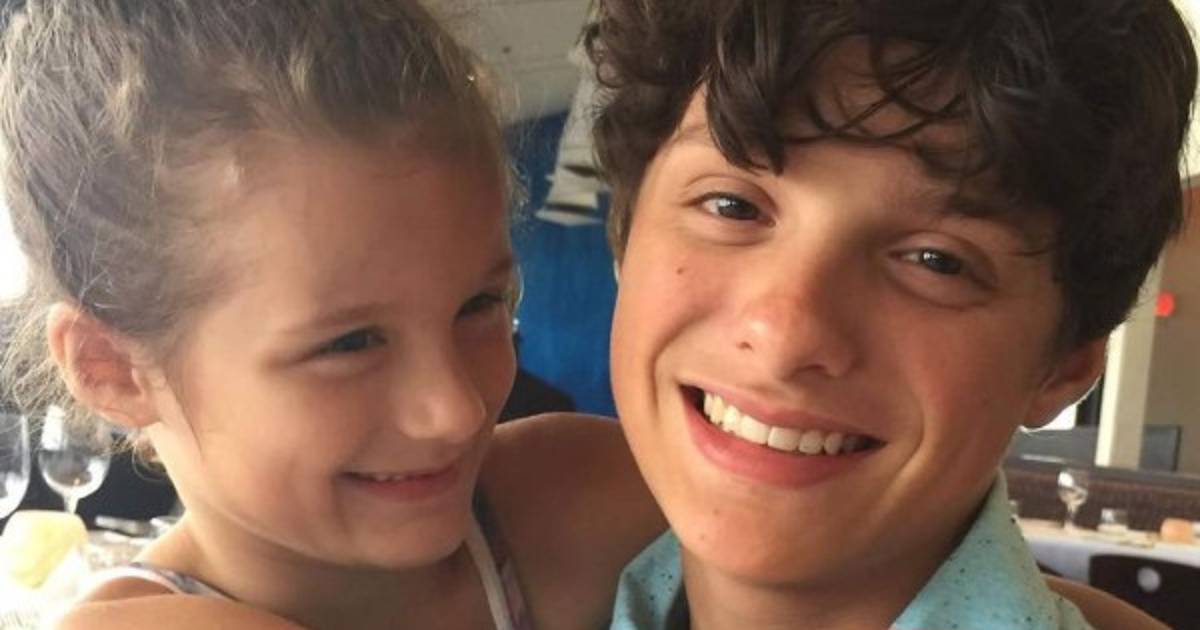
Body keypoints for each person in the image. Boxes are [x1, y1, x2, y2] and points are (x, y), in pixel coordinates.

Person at [0, 1, 661, 628]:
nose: (456, 410)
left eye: (480, 305)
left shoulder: (576, 498)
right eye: (350, 343)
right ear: (112, 367)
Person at [583, 0, 1196, 628]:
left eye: (937, 261)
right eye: (732, 206)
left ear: (1064, 365)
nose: (785, 336)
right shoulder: (537, 543)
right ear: (626, 234)